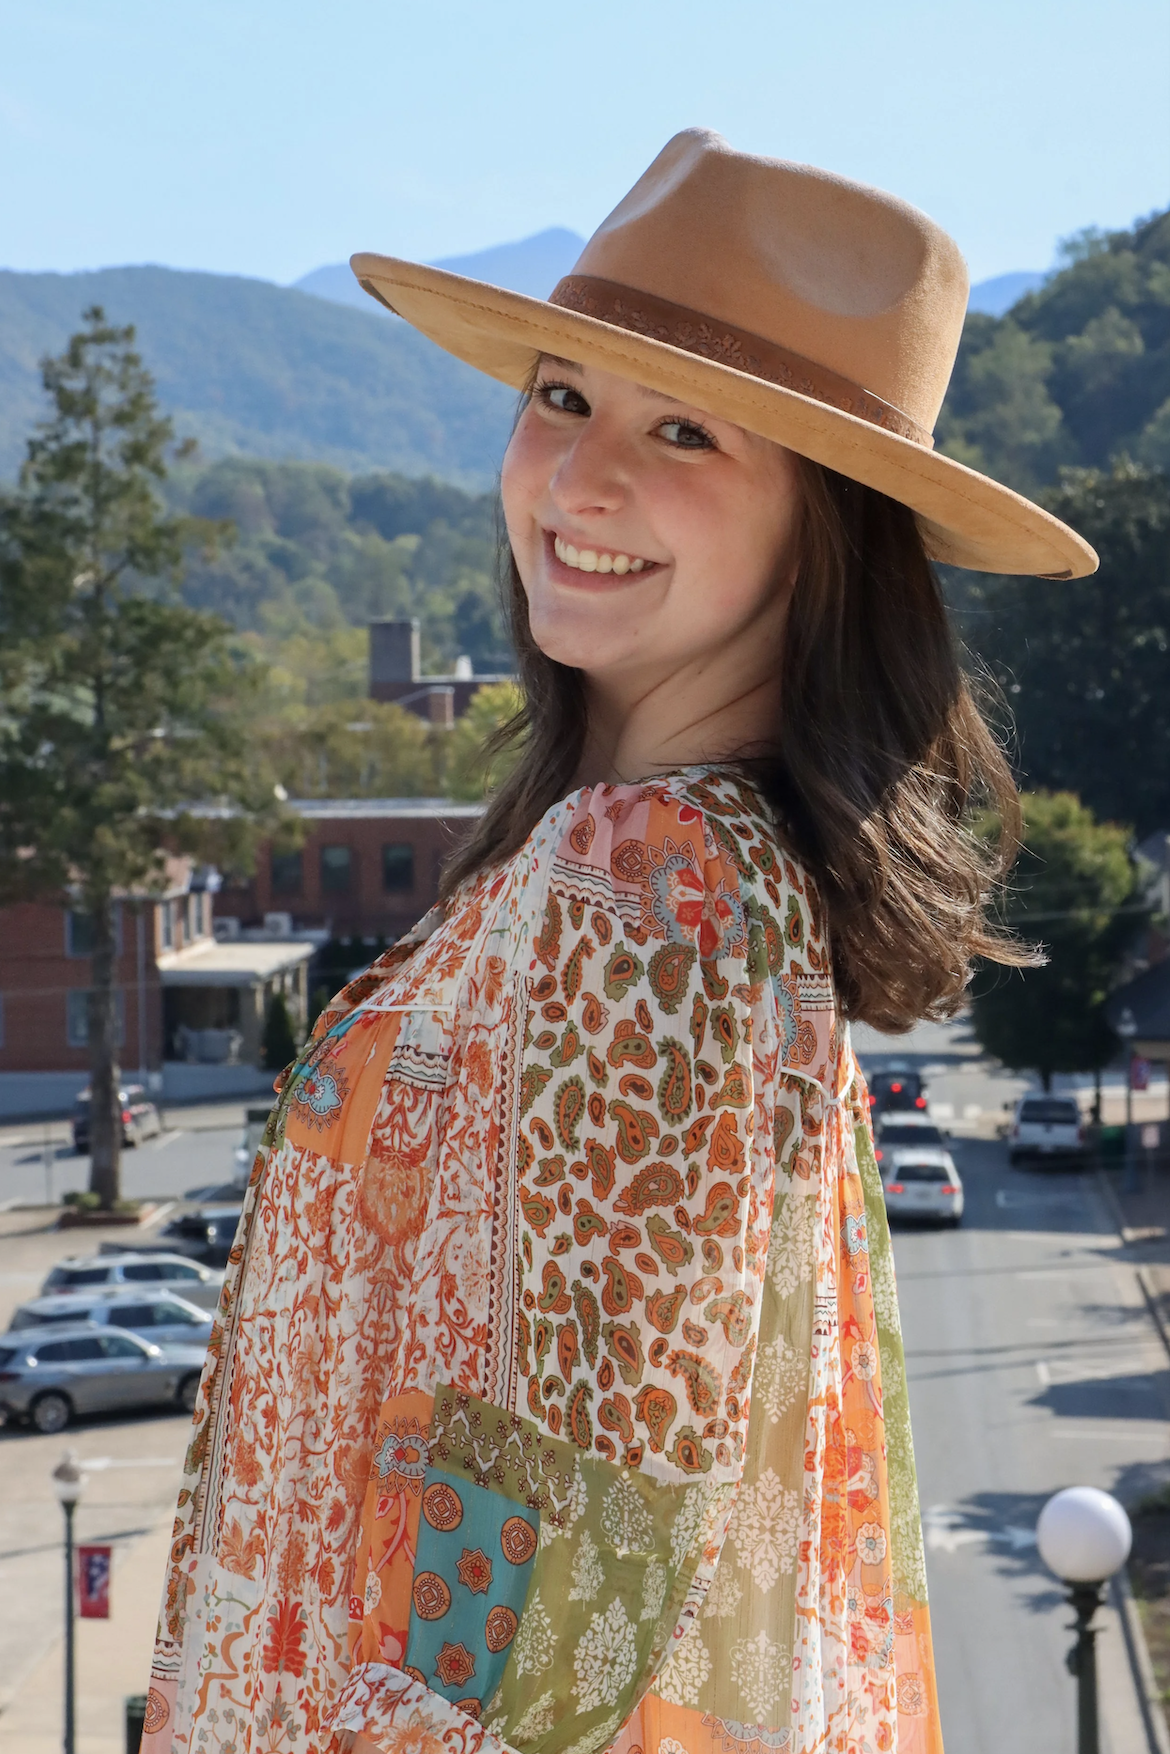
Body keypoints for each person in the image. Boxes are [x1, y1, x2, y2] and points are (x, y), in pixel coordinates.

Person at [142, 130, 1095, 1754]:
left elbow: (558, 1593)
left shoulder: (655, 888)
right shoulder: (653, 863)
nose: (583, 476)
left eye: (685, 432)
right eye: (562, 395)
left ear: (826, 527)